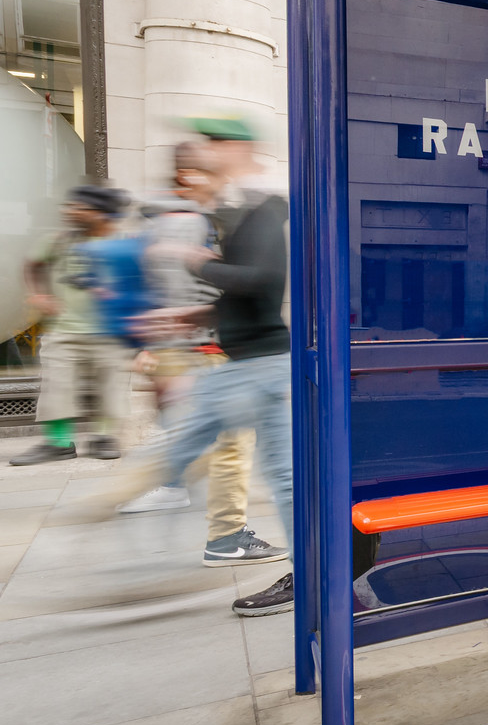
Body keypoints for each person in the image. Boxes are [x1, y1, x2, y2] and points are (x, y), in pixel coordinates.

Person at [133, 117, 291, 571]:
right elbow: (245, 290)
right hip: (245, 359)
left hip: (256, 362)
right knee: (253, 463)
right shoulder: (234, 208)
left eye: (213, 145)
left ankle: (300, 569)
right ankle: (215, 532)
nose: (203, 156)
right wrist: (193, 314)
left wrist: (194, 262)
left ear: (237, 150)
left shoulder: (260, 205)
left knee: (259, 465)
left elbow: (259, 281)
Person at [118, 144, 259, 549]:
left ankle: (173, 489)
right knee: (228, 442)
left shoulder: (170, 221)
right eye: (214, 173)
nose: (226, 180)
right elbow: (200, 289)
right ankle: (228, 535)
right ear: (188, 176)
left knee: (198, 435)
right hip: (201, 349)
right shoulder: (186, 224)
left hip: (184, 347)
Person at [11, 185, 136, 465]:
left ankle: (104, 438)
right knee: (57, 386)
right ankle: (58, 444)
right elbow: (32, 264)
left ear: (101, 214)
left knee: (111, 386)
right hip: (64, 329)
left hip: (110, 332)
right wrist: (38, 294)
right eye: (70, 206)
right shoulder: (58, 241)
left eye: (79, 207)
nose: (70, 211)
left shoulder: (124, 241)